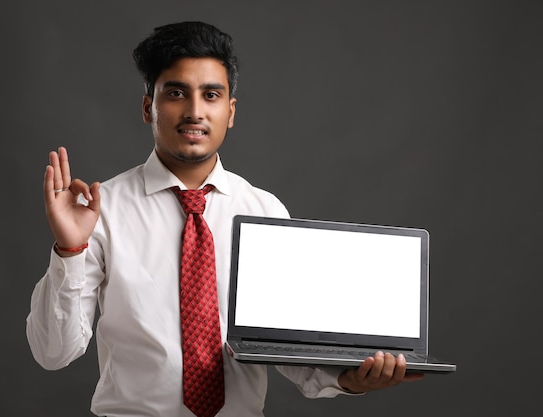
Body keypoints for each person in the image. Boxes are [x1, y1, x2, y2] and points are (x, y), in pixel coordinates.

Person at [26, 21, 424, 417]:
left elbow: (287, 351)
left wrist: (353, 378)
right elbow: (53, 353)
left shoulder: (264, 212)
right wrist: (70, 249)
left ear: (230, 111)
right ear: (149, 106)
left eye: (211, 94)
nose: (195, 111)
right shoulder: (102, 210)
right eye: (177, 93)